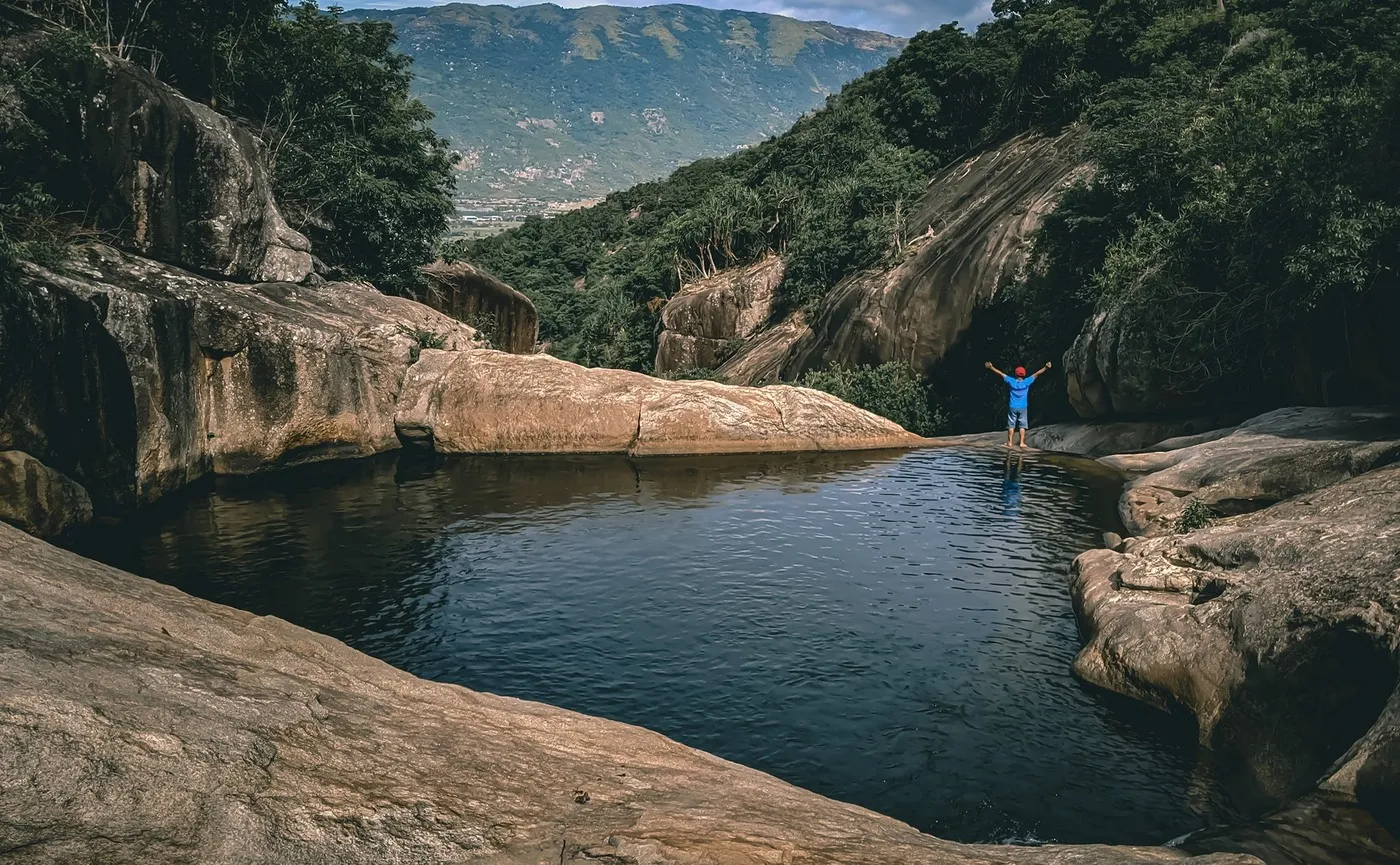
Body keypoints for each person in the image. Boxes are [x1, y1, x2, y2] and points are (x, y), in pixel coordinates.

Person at [984, 360, 1052, 449]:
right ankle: (1022, 443)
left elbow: (1000, 373)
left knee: (1011, 425)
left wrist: (991, 367)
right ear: (1024, 374)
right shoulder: (1026, 382)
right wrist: (1046, 368)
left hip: (1012, 406)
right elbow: (1037, 374)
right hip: (1023, 407)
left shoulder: (1011, 381)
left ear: (1016, 374)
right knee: (1022, 425)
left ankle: (1009, 442)